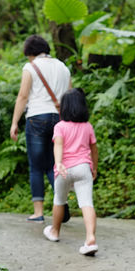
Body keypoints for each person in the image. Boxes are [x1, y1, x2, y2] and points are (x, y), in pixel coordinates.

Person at [10, 35, 72, 222]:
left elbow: (23, 96)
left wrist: (14, 122)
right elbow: (70, 95)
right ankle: (61, 205)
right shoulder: (63, 66)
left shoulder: (30, 67)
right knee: (56, 165)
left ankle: (38, 213)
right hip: (60, 119)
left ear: (30, 53)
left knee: (36, 166)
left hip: (37, 118)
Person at [43, 88, 99, 256]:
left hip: (64, 169)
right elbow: (94, 149)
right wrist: (94, 167)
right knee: (87, 203)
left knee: (59, 200)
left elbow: (58, 145)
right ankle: (90, 239)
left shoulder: (60, 126)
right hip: (83, 168)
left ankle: (55, 232)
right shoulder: (87, 126)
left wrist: (59, 163)